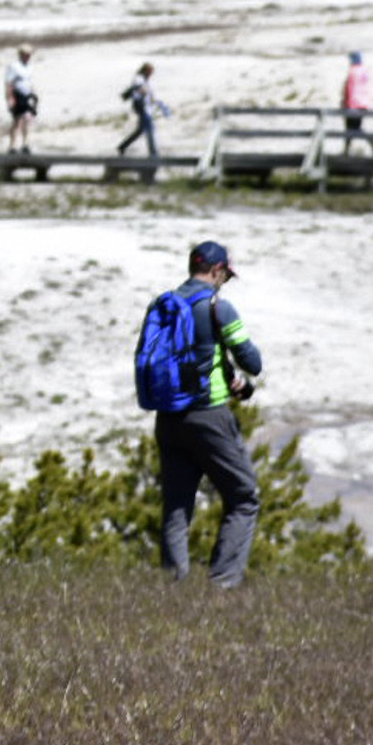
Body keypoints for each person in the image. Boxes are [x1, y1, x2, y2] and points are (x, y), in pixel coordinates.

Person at [148, 240, 263, 588]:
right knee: (244, 496)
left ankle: (175, 585)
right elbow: (252, 363)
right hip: (209, 416)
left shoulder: (163, 305)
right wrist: (238, 379)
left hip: (168, 417)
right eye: (225, 275)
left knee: (177, 506)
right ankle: (222, 585)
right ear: (216, 270)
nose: (224, 281)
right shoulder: (218, 307)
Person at [117, 61, 167, 157]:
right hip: (141, 106)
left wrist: (155, 101)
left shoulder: (144, 79)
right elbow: (139, 89)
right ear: (146, 71)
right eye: (150, 72)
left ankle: (122, 146)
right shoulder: (138, 78)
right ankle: (153, 153)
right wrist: (143, 92)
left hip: (145, 107)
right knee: (149, 128)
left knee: (140, 130)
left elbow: (147, 92)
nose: (151, 75)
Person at [4, 44, 38, 153]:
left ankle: (26, 144)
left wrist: (34, 94)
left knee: (28, 119)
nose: (28, 56)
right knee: (17, 120)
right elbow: (9, 83)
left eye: (29, 54)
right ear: (21, 54)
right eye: (26, 54)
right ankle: (12, 146)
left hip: (28, 95)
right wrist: (10, 98)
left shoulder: (29, 66)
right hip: (17, 94)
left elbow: (30, 81)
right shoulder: (14, 66)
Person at [340, 51, 373, 155]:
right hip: (363, 104)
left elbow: (350, 89)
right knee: (354, 127)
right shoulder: (365, 71)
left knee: (351, 128)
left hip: (353, 104)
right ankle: (347, 149)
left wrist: (346, 102)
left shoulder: (352, 71)